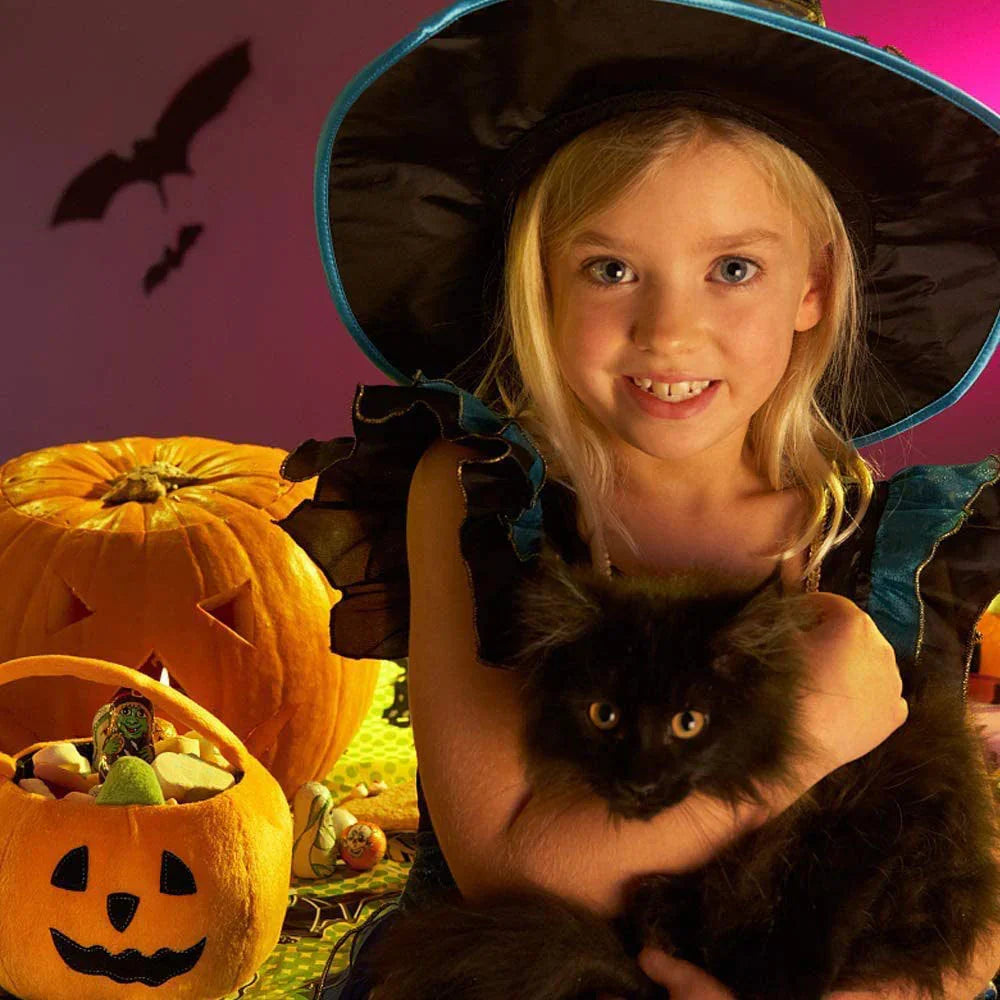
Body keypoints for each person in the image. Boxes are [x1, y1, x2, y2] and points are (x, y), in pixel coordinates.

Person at [277, 0, 1000, 996]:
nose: (668, 331)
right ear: (540, 281)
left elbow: (955, 897)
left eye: (732, 269)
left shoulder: (891, 545)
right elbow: (519, 868)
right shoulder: (482, 502)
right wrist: (809, 742)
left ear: (814, 289)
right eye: (611, 269)